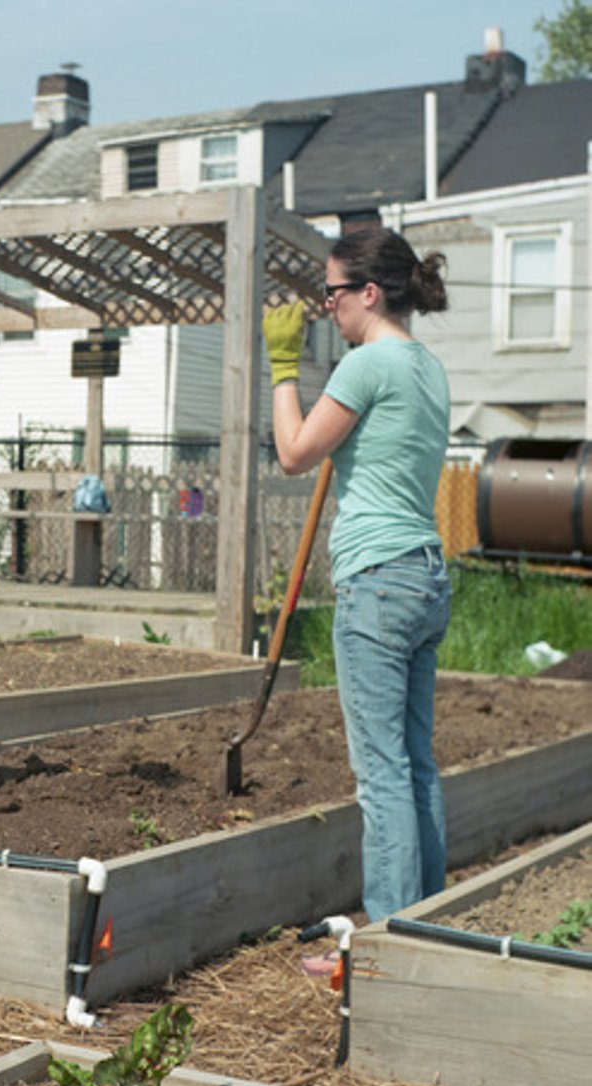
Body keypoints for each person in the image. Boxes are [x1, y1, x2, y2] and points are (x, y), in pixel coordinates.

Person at [264, 227, 452, 922]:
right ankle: (428, 922)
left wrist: (284, 366)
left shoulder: (367, 366)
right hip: (426, 579)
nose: (326, 307)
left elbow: (293, 454)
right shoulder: (428, 366)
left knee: (381, 776)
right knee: (415, 763)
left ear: (369, 293)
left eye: (333, 292)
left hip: (377, 583)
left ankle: (391, 939)